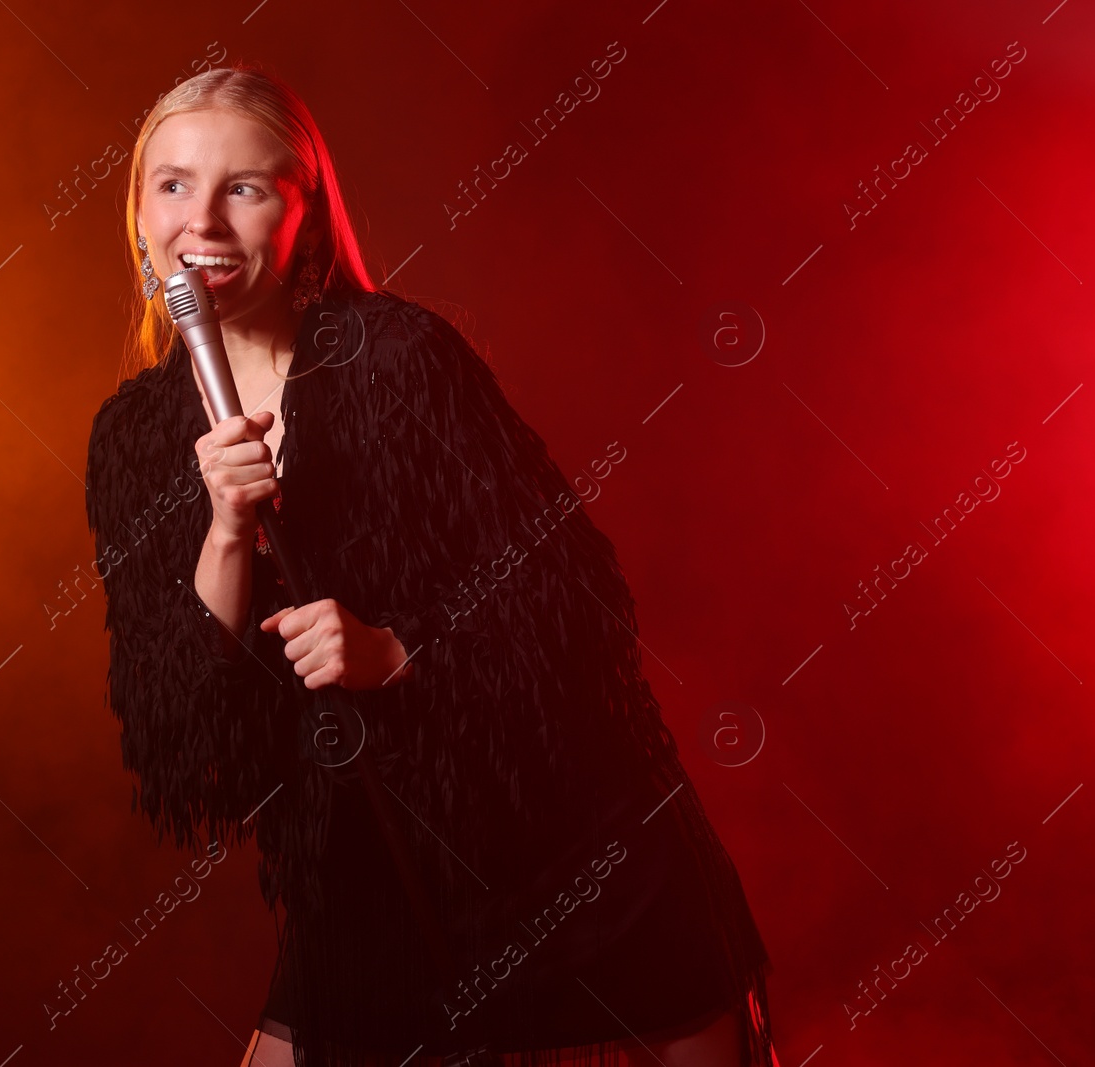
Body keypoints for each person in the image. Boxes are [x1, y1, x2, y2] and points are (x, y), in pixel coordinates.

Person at [84, 66, 775, 1067]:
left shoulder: (400, 357)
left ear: (304, 217)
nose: (205, 222)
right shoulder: (134, 435)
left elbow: (578, 600)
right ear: (140, 211)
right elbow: (178, 729)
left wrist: (395, 650)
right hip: (368, 860)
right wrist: (227, 527)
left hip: (573, 835)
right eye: (174, 184)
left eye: (246, 186)